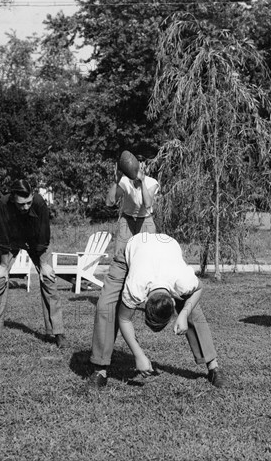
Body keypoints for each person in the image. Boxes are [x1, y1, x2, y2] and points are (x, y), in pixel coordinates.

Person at [93, 232, 226, 388]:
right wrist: (139, 355)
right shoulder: (137, 285)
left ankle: (213, 367)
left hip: (165, 248)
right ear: (144, 299)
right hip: (130, 250)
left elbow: (199, 288)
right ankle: (99, 370)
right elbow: (124, 318)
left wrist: (183, 315)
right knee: (106, 306)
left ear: (173, 299)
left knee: (192, 309)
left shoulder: (182, 281)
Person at [87, 156, 159, 383]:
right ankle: (100, 367)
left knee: (152, 289)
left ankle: (210, 363)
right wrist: (119, 180)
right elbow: (109, 202)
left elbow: (147, 205)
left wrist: (143, 180)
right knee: (106, 302)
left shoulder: (153, 182)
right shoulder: (124, 181)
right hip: (126, 225)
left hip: (146, 225)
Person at [0, 180, 69, 351]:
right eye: (22, 204)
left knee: (49, 279)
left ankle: (58, 333)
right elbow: (3, 237)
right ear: (13, 198)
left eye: (29, 202)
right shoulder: (3, 204)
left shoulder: (39, 203)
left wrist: (44, 265)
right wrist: (3, 268)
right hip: (11, 242)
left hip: (36, 243)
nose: (26, 207)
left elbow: (44, 234)